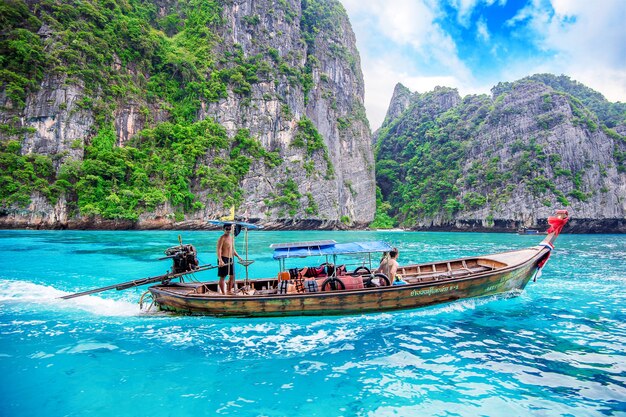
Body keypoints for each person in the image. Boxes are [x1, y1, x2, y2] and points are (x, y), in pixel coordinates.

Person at [217, 224, 242, 294]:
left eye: (229, 229)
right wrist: (220, 260)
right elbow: (219, 249)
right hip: (223, 258)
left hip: (230, 259)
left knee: (232, 276)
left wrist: (238, 257)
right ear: (224, 229)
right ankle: (223, 293)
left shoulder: (231, 238)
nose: (228, 230)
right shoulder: (222, 238)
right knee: (223, 277)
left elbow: (232, 249)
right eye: (226, 229)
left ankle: (229, 291)